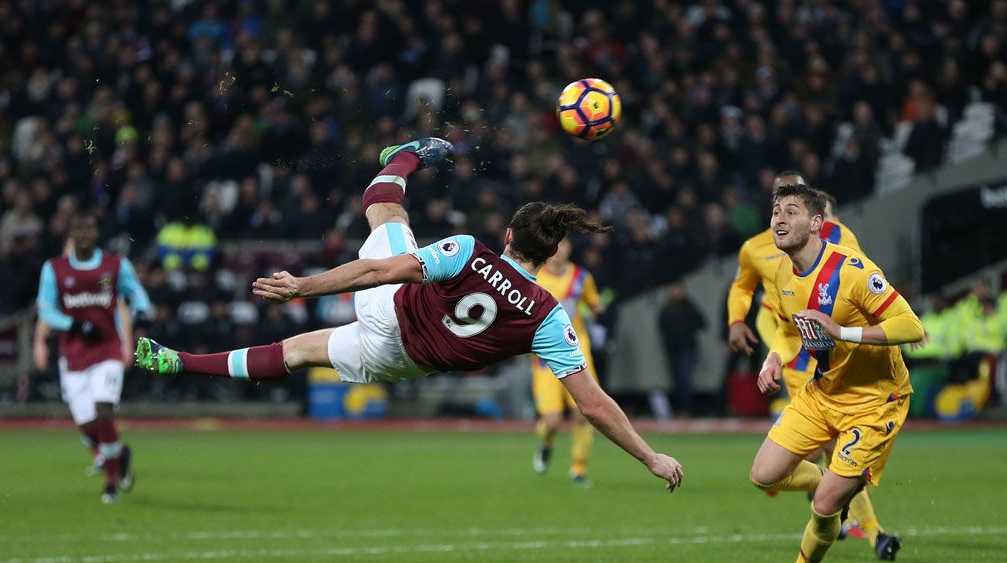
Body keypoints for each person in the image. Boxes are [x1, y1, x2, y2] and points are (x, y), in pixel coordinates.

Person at [136, 138, 683, 491]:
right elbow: (593, 405)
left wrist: (302, 286)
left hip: (391, 313)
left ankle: (408, 154)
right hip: (405, 361)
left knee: (384, 208)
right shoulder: (549, 317)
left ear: (509, 236)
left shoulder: (470, 251)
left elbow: (378, 273)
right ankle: (177, 361)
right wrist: (649, 456)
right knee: (301, 353)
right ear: (550, 254)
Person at [750, 184, 924, 563]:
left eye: (791, 211)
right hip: (823, 393)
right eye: (776, 211)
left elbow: (912, 326)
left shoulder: (853, 269)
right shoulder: (780, 272)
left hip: (874, 401)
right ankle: (838, 479)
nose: (779, 218)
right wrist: (774, 358)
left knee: (825, 505)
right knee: (763, 476)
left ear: (816, 224)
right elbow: (791, 330)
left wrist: (841, 330)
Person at [36, 213, 152, 503]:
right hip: (73, 355)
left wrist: (141, 311)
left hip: (107, 351)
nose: (85, 234)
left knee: (104, 411)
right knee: (88, 427)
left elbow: (137, 294)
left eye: (89, 228)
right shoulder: (54, 269)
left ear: (96, 232)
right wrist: (73, 325)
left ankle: (111, 483)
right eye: (79, 229)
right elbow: (45, 309)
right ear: (72, 234)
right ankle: (120, 454)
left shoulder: (115, 265)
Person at [530, 237, 602, 486]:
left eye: (564, 246)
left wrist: (595, 311)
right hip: (545, 356)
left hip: (577, 351)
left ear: (570, 248)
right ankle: (546, 442)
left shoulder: (582, 277)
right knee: (552, 421)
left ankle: (578, 468)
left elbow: (595, 305)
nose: (560, 251)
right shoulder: (535, 277)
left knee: (584, 413)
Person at [658, 282, 706, 418]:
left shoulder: (689, 307)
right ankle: (680, 409)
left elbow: (702, 323)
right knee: (677, 380)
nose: (676, 293)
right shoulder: (666, 309)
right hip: (672, 350)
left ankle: (687, 409)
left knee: (685, 379)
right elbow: (661, 327)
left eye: (678, 290)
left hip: (688, 349)